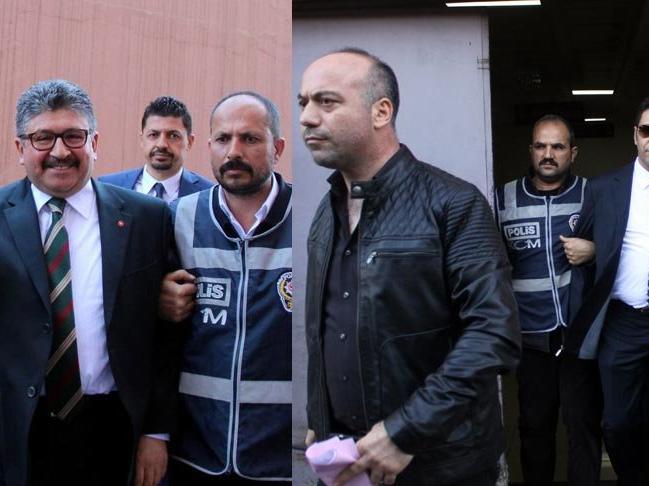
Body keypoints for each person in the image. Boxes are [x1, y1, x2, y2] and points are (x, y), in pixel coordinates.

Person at [298, 47, 521, 486]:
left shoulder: (453, 203)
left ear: (381, 111)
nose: (307, 117)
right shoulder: (328, 210)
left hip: (444, 466)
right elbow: (327, 326)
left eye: (326, 101)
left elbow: (493, 334)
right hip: (349, 461)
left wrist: (404, 432)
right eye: (303, 102)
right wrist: (319, 417)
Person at [0, 79, 179, 486]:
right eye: (42, 138)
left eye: (73, 136)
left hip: (113, 427)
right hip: (16, 430)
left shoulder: (147, 219)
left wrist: (156, 431)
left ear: (94, 142)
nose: (60, 151)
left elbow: (166, 337)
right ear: (20, 149)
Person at [160, 91, 291, 485]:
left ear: (277, 148)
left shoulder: (311, 220)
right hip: (195, 455)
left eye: (250, 138)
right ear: (208, 146)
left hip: (282, 460)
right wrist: (155, 301)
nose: (234, 151)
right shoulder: (176, 218)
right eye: (223, 138)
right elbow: (148, 340)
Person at [494, 115, 602, 486]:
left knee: (583, 427)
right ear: (530, 150)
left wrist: (595, 250)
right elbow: (488, 266)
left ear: (573, 152)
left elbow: (622, 249)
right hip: (531, 340)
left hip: (579, 339)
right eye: (540, 146)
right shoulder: (503, 199)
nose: (548, 154)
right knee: (535, 430)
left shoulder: (592, 194)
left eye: (557, 146)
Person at [567, 96, 649, 486]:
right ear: (635, 135)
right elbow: (581, 252)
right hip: (623, 322)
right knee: (617, 423)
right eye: (647, 130)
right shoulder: (604, 189)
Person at [99, 96, 212, 201]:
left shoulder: (208, 195)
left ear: (189, 142)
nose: (162, 144)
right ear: (142, 139)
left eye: (173, 136)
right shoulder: (108, 188)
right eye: (153, 135)